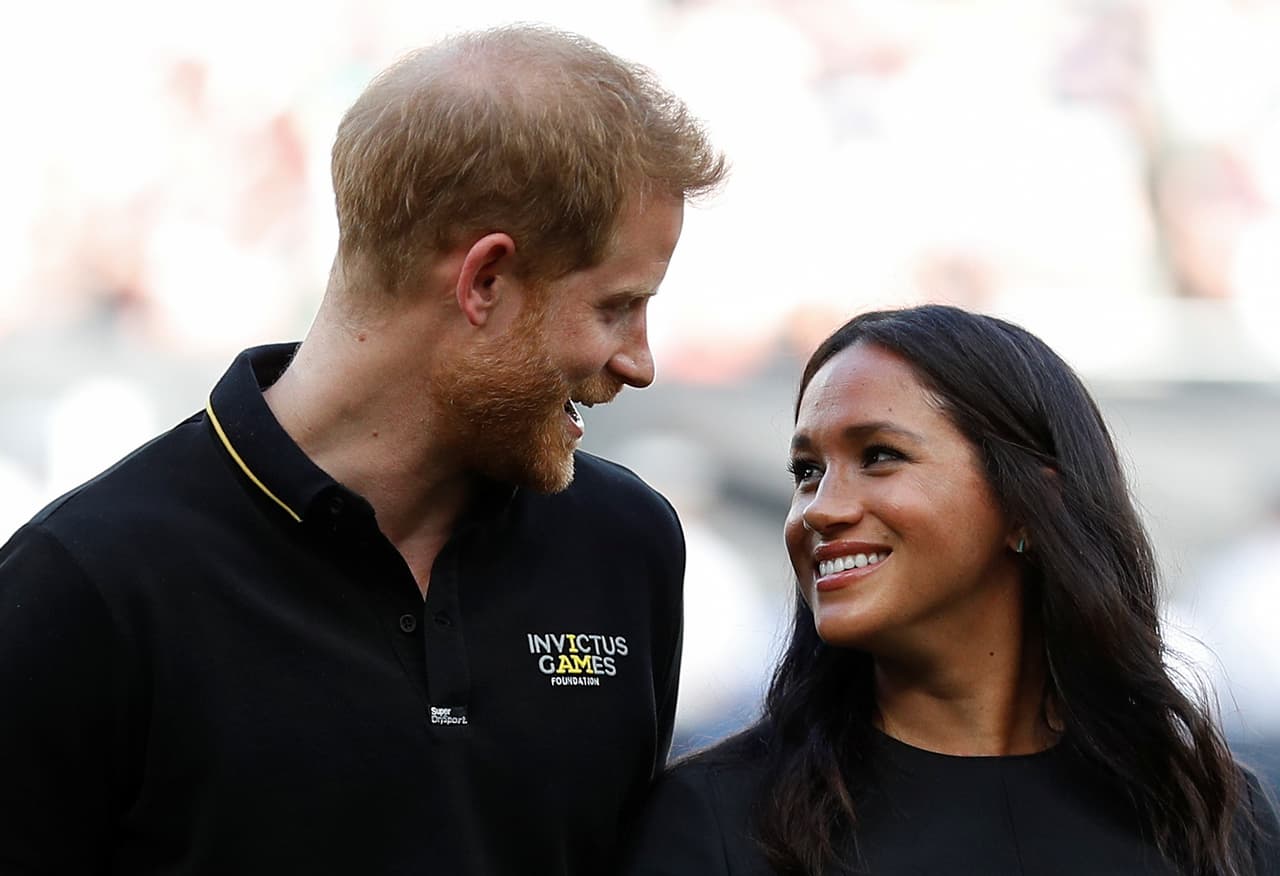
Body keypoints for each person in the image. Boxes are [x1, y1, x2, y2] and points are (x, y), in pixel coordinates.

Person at [0, 25, 724, 876]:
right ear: (485, 281)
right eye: (617, 306)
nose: (638, 362)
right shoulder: (83, 585)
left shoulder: (626, 543)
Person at [623, 304, 1280, 875]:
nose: (820, 509)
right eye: (807, 471)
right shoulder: (722, 820)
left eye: (879, 455)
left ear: (1030, 503)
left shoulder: (1205, 810)